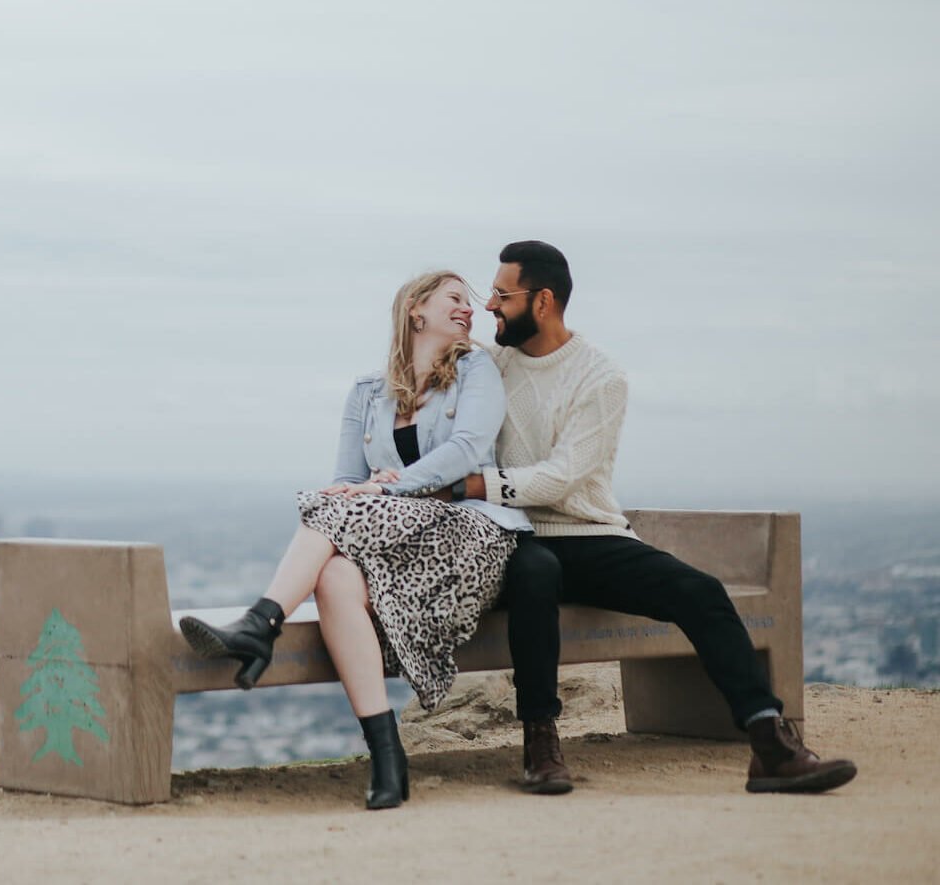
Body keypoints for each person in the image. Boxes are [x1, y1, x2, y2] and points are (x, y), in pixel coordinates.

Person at [398, 239, 857, 795]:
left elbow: (563, 476)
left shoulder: (600, 378)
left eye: (501, 294)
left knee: (701, 592)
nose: (489, 305)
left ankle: (770, 745)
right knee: (536, 574)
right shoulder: (488, 366)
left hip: (588, 532)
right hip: (513, 536)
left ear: (542, 302)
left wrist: (472, 484)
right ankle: (540, 745)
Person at [178, 270, 533, 810]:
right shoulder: (368, 391)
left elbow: (466, 448)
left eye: (471, 302)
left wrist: (391, 491)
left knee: (325, 512)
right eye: (455, 299)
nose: (470, 310)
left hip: (468, 534)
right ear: (416, 310)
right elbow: (346, 480)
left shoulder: (476, 369)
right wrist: (367, 492)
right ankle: (387, 757)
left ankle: (260, 624)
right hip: (394, 536)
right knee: (335, 575)